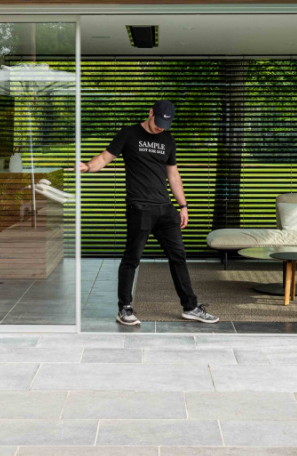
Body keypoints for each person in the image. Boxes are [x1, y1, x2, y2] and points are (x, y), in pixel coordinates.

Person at [77, 99, 219, 327]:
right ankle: (124, 308)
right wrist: (87, 166)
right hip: (139, 207)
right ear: (150, 112)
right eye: (158, 122)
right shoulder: (128, 134)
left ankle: (190, 307)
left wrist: (183, 206)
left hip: (165, 209)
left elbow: (173, 175)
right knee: (132, 258)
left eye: (165, 124)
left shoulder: (168, 139)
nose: (160, 127)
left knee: (178, 256)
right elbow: (104, 158)